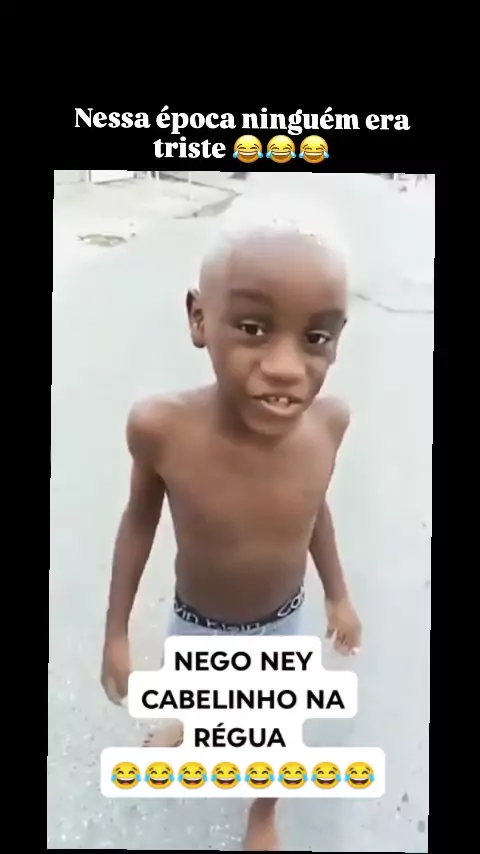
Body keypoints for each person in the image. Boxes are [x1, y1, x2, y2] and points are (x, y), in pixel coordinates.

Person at [100, 225, 362, 851]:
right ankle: (190, 724)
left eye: (316, 338)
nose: (285, 368)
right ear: (199, 319)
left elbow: (314, 508)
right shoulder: (161, 428)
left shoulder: (328, 424)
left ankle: (263, 813)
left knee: (278, 729)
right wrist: (116, 632)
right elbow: (138, 521)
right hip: (198, 622)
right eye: (252, 328)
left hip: (283, 622)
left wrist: (338, 594)